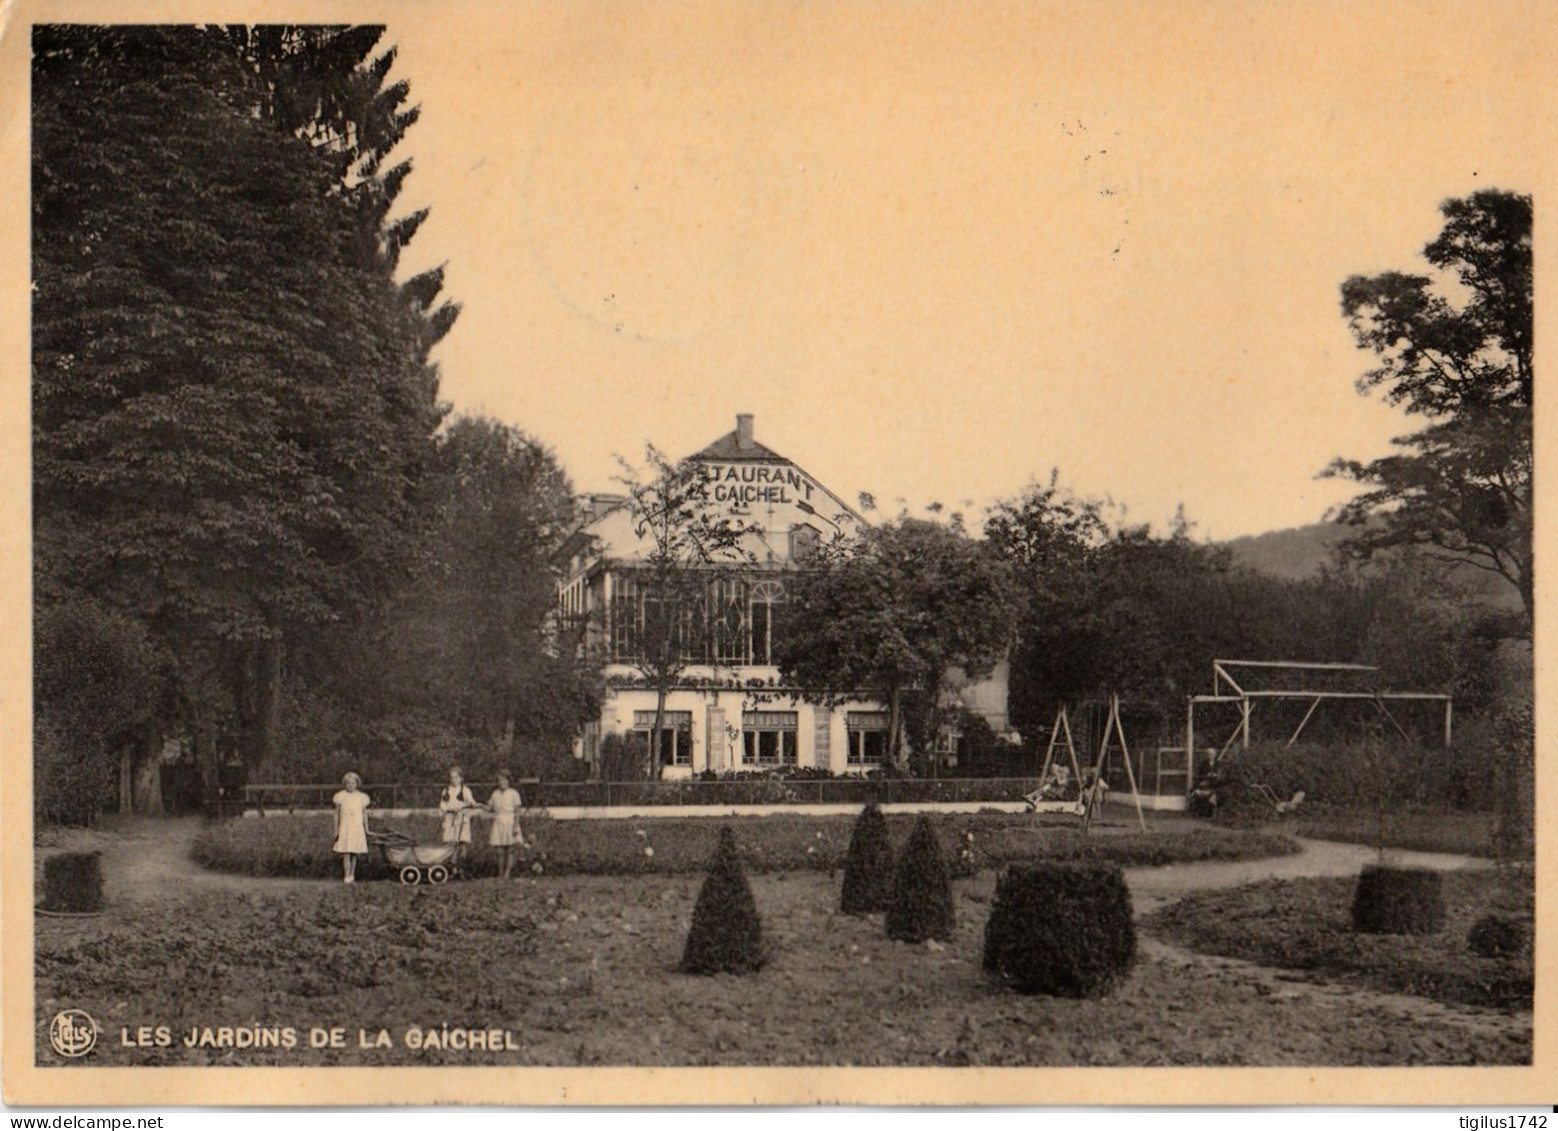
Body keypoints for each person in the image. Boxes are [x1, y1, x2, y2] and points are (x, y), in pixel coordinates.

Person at [332, 772, 371, 884]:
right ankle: (346, 875)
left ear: (357, 784)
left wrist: (366, 829)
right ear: (345, 784)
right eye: (348, 783)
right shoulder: (341, 796)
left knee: (355, 853)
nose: (351, 785)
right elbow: (336, 814)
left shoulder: (361, 797)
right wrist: (336, 830)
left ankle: (352, 875)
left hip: (357, 828)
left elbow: (364, 814)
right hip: (345, 827)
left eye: (353, 783)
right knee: (346, 852)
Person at [439, 766, 479, 873]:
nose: (453, 780)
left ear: (461, 778)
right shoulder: (446, 790)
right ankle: (451, 866)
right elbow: (442, 804)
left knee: (461, 843)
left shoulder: (465, 790)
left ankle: (461, 866)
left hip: (461, 819)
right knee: (451, 842)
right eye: (451, 778)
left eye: (456, 778)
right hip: (450, 818)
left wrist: (470, 805)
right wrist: (447, 809)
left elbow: (471, 802)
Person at [486, 771, 526, 880]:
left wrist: (515, 825)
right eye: (499, 780)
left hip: (510, 821)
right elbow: (490, 808)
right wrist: (477, 805)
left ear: (509, 781)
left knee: (510, 849)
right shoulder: (495, 794)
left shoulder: (513, 793)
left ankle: (507, 873)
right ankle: (500, 873)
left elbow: (517, 811)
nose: (502, 782)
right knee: (499, 850)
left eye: (504, 780)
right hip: (499, 821)